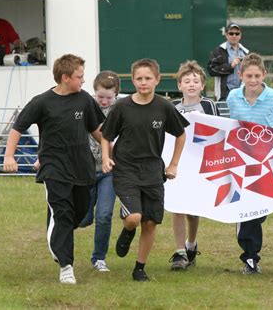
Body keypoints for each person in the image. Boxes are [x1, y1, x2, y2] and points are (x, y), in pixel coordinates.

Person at [3, 54, 105, 284]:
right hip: (53, 168)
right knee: (63, 214)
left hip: (82, 167)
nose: (83, 80)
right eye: (79, 77)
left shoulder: (85, 100)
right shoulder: (42, 102)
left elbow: (96, 130)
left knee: (78, 214)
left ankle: (57, 235)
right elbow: (18, 127)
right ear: (65, 77)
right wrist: (9, 155)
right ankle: (66, 265)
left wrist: (113, 152)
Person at [101, 58, 189, 282]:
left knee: (150, 222)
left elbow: (181, 134)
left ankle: (139, 268)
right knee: (134, 217)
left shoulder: (164, 106)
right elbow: (106, 135)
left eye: (148, 78)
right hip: (126, 169)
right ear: (132, 80)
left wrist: (173, 164)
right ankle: (128, 230)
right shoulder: (122, 107)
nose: (143, 82)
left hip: (152, 171)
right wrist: (105, 158)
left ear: (157, 80)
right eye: (139, 78)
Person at [227, 53, 273, 274]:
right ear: (241, 75)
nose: (253, 80)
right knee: (249, 210)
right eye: (249, 75)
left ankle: (249, 246)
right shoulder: (232, 97)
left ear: (264, 75)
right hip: (242, 162)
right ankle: (250, 257)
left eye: (257, 75)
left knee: (261, 211)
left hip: (268, 161)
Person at [169, 60, 219, 270]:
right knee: (177, 206)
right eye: (186, 81)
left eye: (195, 81)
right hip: (178, 162)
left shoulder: (209, 105)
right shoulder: (172, 107)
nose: (191, 84)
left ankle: (191, 244)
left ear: (202, 85)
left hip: (200, 163)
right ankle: (180, 252)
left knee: (192, 209)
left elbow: (218, 131)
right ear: (179, 85)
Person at [78, 71, 120, 272]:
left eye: (108, 97)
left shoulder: (121, 111)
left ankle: (99, 258)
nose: (104, 101)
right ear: (94, 92)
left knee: (104, 215)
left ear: (116, 95)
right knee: (84, 218)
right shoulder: (85, 107)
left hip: (109, 171)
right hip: (85, 170)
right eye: (100, 96)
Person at [207, 22, 249, 101]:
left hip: (243, 92)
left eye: (237, 33)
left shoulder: (245, 52)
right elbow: (211, 70)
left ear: (240, 35)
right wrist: (230, 66)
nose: (234, 36)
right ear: (226, 35)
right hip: (225, 93)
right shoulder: (219, 51)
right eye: (231, 33)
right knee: (224, 113)